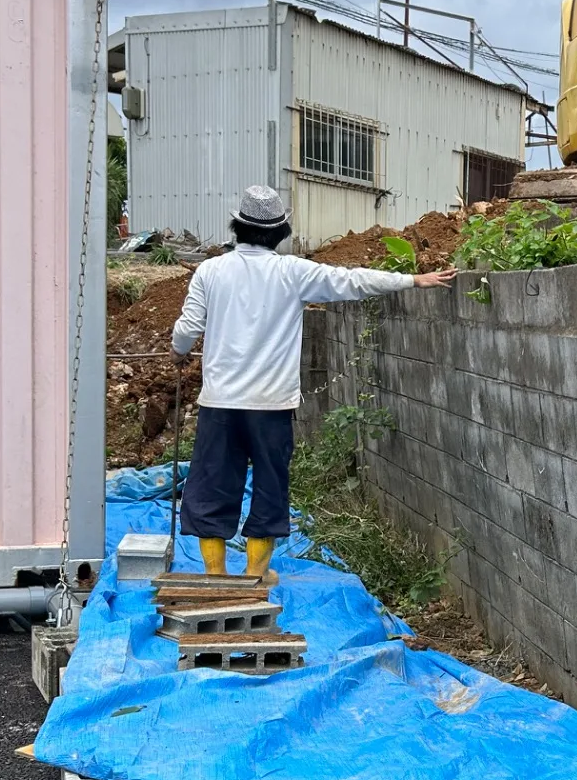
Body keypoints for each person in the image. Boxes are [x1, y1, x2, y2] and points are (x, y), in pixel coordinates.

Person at [171, 185, 455, 580]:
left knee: (211, 489)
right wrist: (411, 280)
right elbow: (352, 281)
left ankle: (215, 576)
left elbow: (186, 331)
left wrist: (177, 350)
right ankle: (255, 576)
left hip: (220, 403)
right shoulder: (294, 273)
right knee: (269, 490)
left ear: (237, 227)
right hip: (271, 406)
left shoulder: (211, 271)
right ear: (280, 232)